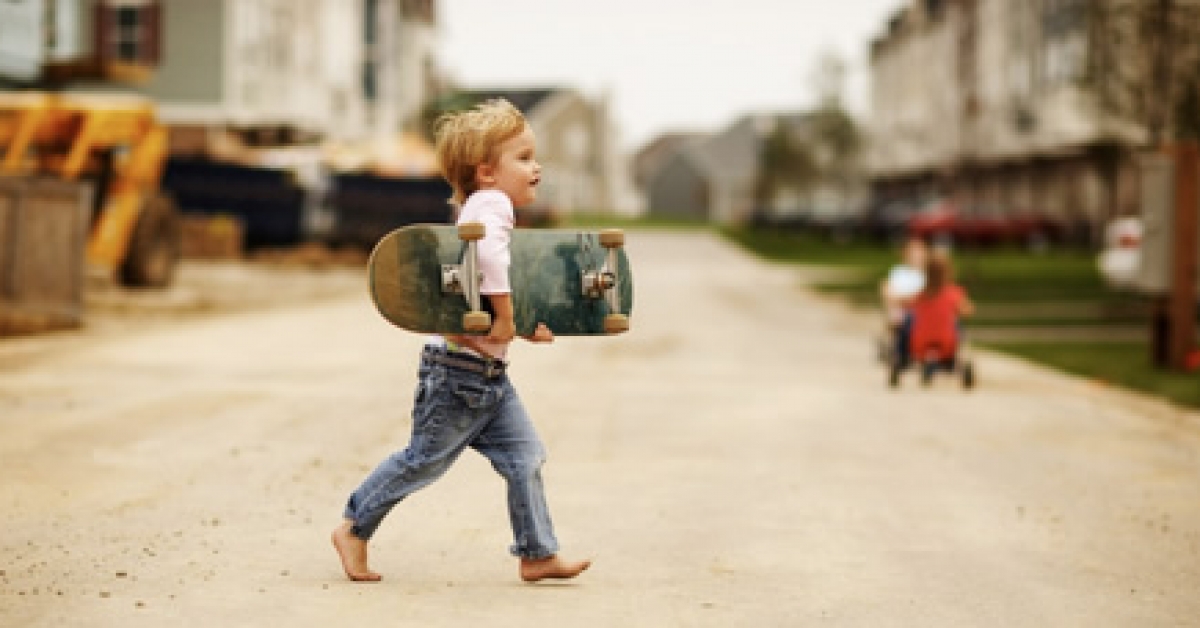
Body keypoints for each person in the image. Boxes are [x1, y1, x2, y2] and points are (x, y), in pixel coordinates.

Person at [331, 99, 591, 583]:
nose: (536, 167)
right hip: (458, 375)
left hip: (485, 374)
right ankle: (354, 528)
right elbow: (491, 261)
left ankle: (537, 553)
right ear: (487, 173)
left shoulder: (480, 207)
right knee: (422, 461)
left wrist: (521, 324)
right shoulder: (493, 206)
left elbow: (488, 283)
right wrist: (508, 315)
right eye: (524, 157)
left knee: (525, 458)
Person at [908, 251, 975, 371]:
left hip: (920, 340)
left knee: (909, 324)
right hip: (947, 339)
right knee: (958, 327)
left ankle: (903, 357)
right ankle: (959, 360)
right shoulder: (953, 293)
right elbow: (967, 311)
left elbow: (908, 306)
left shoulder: (920, 294)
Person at [879, 237, 928, 367]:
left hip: (923, 311)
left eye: (919, 252)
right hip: (904, 308)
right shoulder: (899, 272)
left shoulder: (929, 274)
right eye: (913, 253)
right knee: (898, 316)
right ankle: (899, 350)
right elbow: (889, 291)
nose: (916, 256)